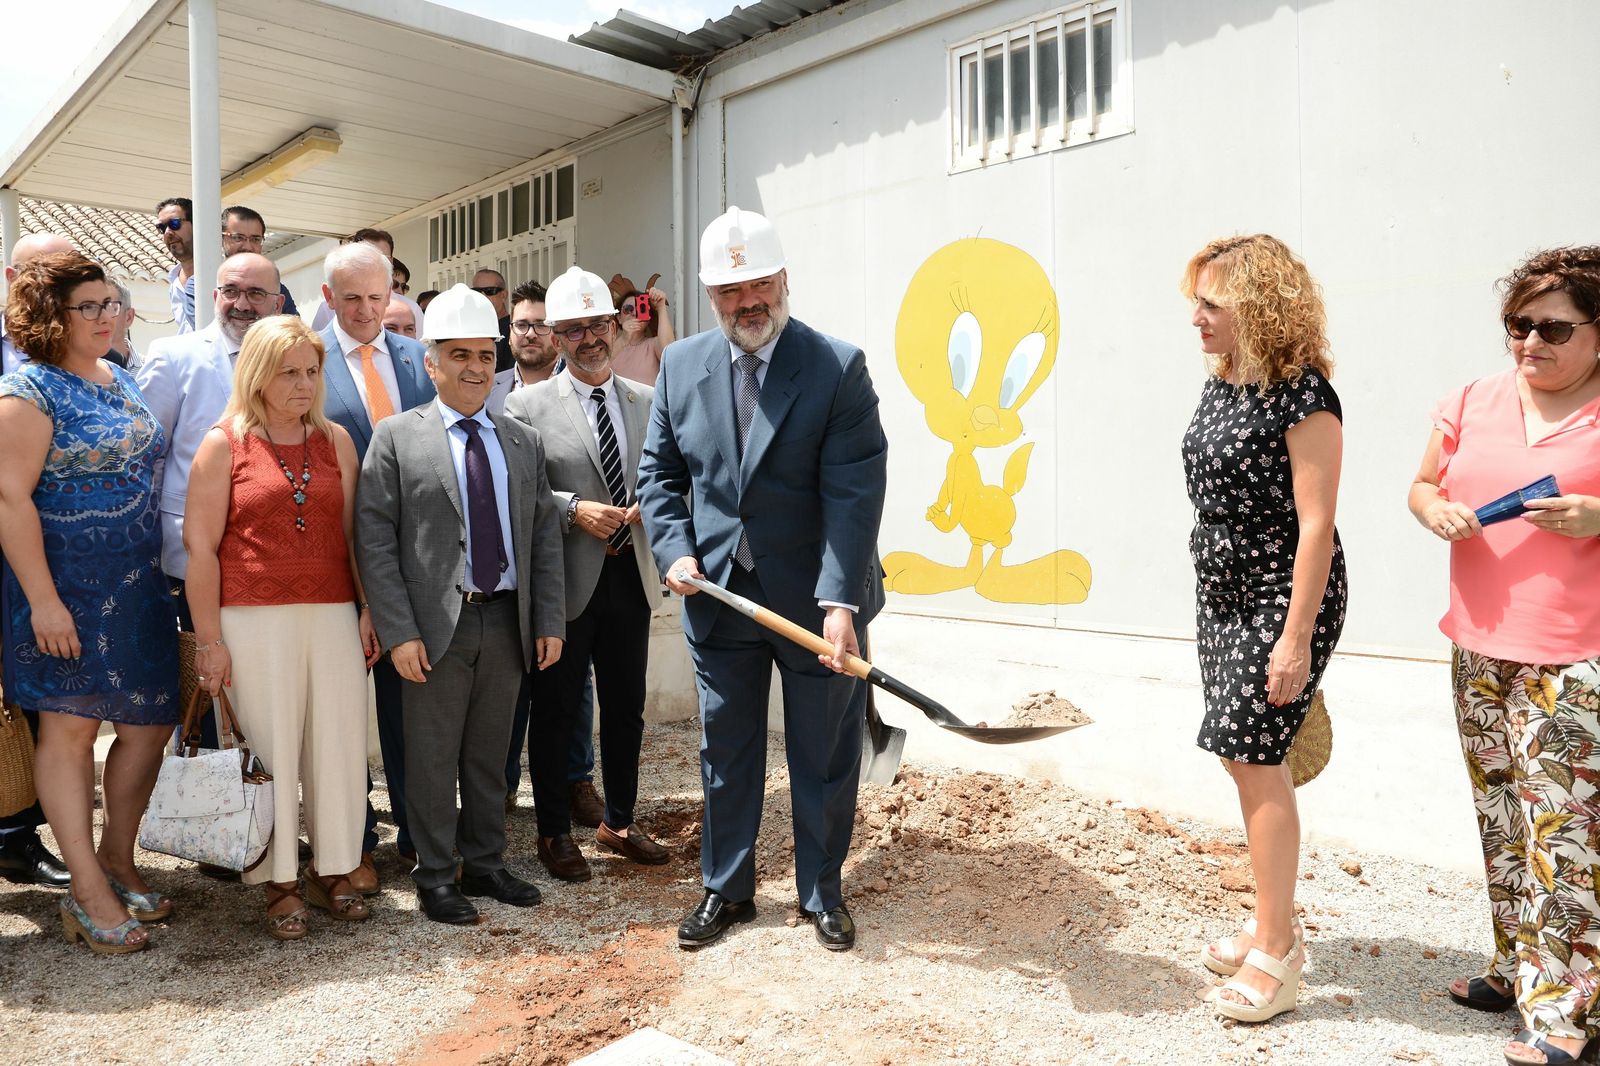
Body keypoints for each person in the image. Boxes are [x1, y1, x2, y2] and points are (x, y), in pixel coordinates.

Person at [638, 206, 888, 953]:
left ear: (785, 280)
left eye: (760, 286)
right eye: (729, 291)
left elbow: (854, 491)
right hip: (718, 595)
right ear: (711, 296)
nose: (748, 303)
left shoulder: (837, 367)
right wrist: (675, 548)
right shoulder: (681, 367)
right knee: (728, 749)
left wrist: (840, 601)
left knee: (822, 749)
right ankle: (728, 887)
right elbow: (661, 474)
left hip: (816, 602)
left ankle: (821, 892)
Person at [1410, 247, 1600, 1066]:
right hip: (1478, 649)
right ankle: (1514, 968)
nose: (1529, 342)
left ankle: (1566, 1014)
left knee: (1565, 837)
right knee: (1502, 824)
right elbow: (1421, 485)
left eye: (1552, 327)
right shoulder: (1471, 399)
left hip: (1573, 657)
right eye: (1516, 325)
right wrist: (1437, 510)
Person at [355, 284, 564, 925]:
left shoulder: (520, 440)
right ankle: (437, 874)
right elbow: (374, 540)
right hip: (432, 627)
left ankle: (486, 862)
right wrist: (398, 631)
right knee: (431, 754)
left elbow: (541, 536)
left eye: (484, 354)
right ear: (430, 362)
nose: (476, 366)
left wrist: (549, 619)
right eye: (460, 354)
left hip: (506, 619)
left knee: (491, 753)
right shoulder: (395, 438)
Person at [1181, 234, 1346, 1023]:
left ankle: (1277, 953)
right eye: (1197, 303)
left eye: (1213, 304)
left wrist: (1294, 638)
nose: (1198, 318)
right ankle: (1269, 917)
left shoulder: (1304, 396)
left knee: (1255, 760)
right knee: (1243, 756)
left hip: (1283, 597)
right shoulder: (1223, 385)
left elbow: (1316, 527)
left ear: (1259, 307)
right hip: (1222, 596)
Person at [0, 252, 179, 953]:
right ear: (52, 317)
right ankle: (87, 887)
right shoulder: (27, 392)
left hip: (136, 586)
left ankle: (118, 855)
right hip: (60, 590)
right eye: (92, 307)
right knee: (69, 734)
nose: (110, 316)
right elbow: (9, 498)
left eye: (114, 303)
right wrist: (43, 602)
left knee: (148, 724)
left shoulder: (123, 378)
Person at [182, 315, 380, 939]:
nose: (302, 384)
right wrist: (209, 641)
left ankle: (336, 867)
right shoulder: (224, 443)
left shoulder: (337, 441)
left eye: (312, 371)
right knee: (267, 750)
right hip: (250, 620)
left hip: (332, 613)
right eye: (288, 372)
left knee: (338, 743)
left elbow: (355, 537)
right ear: (259, 375)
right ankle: (279, 882)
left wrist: (369, 607)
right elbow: (199, 548)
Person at [505, 265, 668, 882]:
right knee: (557, 710)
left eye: (598, 325)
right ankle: (552, 832)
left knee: (626, 709)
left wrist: (647, 506)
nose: (589, 338)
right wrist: (573, 509)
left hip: (631, 577)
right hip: (565, 586)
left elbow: (665, 478)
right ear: (556, 336)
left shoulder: (648, 401)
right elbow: (519, 492)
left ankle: (619, 821)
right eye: (573, 329)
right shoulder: (525, 404)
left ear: (615, 326)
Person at [318, 241, 435, 890]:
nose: (366, 312)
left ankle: (419, 838)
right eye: (352, 298)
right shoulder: (304, 363)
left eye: (377, 297)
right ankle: (352, 840)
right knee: (339, 712)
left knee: (409, 708)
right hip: (332, 565)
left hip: (413, 567)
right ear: (329, 298)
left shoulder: (422, 361)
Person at [495, 279, 603, 826]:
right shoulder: (488, 389)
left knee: (571, 684)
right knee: (514, 681)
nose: (532, 332)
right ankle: (505, 782)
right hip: (508, 565)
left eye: (542, 322)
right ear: (509, 332)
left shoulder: (588, 389)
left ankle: (575, 780)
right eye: (523, 323)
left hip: (575, 567)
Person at [0, 231, 77, 890]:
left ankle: (17, 837)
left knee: (27, 704)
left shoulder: (82, 351)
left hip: (51, 558)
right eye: (47, 271)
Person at [310, 229, 423, 336]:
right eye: (352, 298)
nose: (365, 309)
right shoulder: (328, 307)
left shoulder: (412, 308)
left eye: (382, 258)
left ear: (391, 261)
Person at [220, 205, 298, 316]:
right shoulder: (200, 285)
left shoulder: (276, 289)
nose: (248, 246)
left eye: (255, 239)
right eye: (238, 237)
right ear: (221, 239)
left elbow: (291, 330)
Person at [608, 277, 674, 386]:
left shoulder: (653, 345)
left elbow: (669, 352)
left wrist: (661, 307)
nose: (634, 314)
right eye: (628, 309)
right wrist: (624, 339)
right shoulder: (609, 346)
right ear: (619, 318)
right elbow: (597, 370)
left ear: (648, 318)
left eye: (641, 309)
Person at [156, 196, 195, 333]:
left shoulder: (224, 274)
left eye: (174, 224)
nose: (167, 233)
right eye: (161, 227)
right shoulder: (174, 281)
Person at [472, 268, 514, 372]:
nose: (482, 296)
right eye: (476, 292)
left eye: (489, 291)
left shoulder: (515, 330)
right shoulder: (469, 331)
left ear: (503, 295)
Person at [105, 279, 137, 368]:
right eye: (91, 308)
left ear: (129, 317)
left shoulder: (152, 371)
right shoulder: (71, 372)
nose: (100, 316)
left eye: (109, 308)